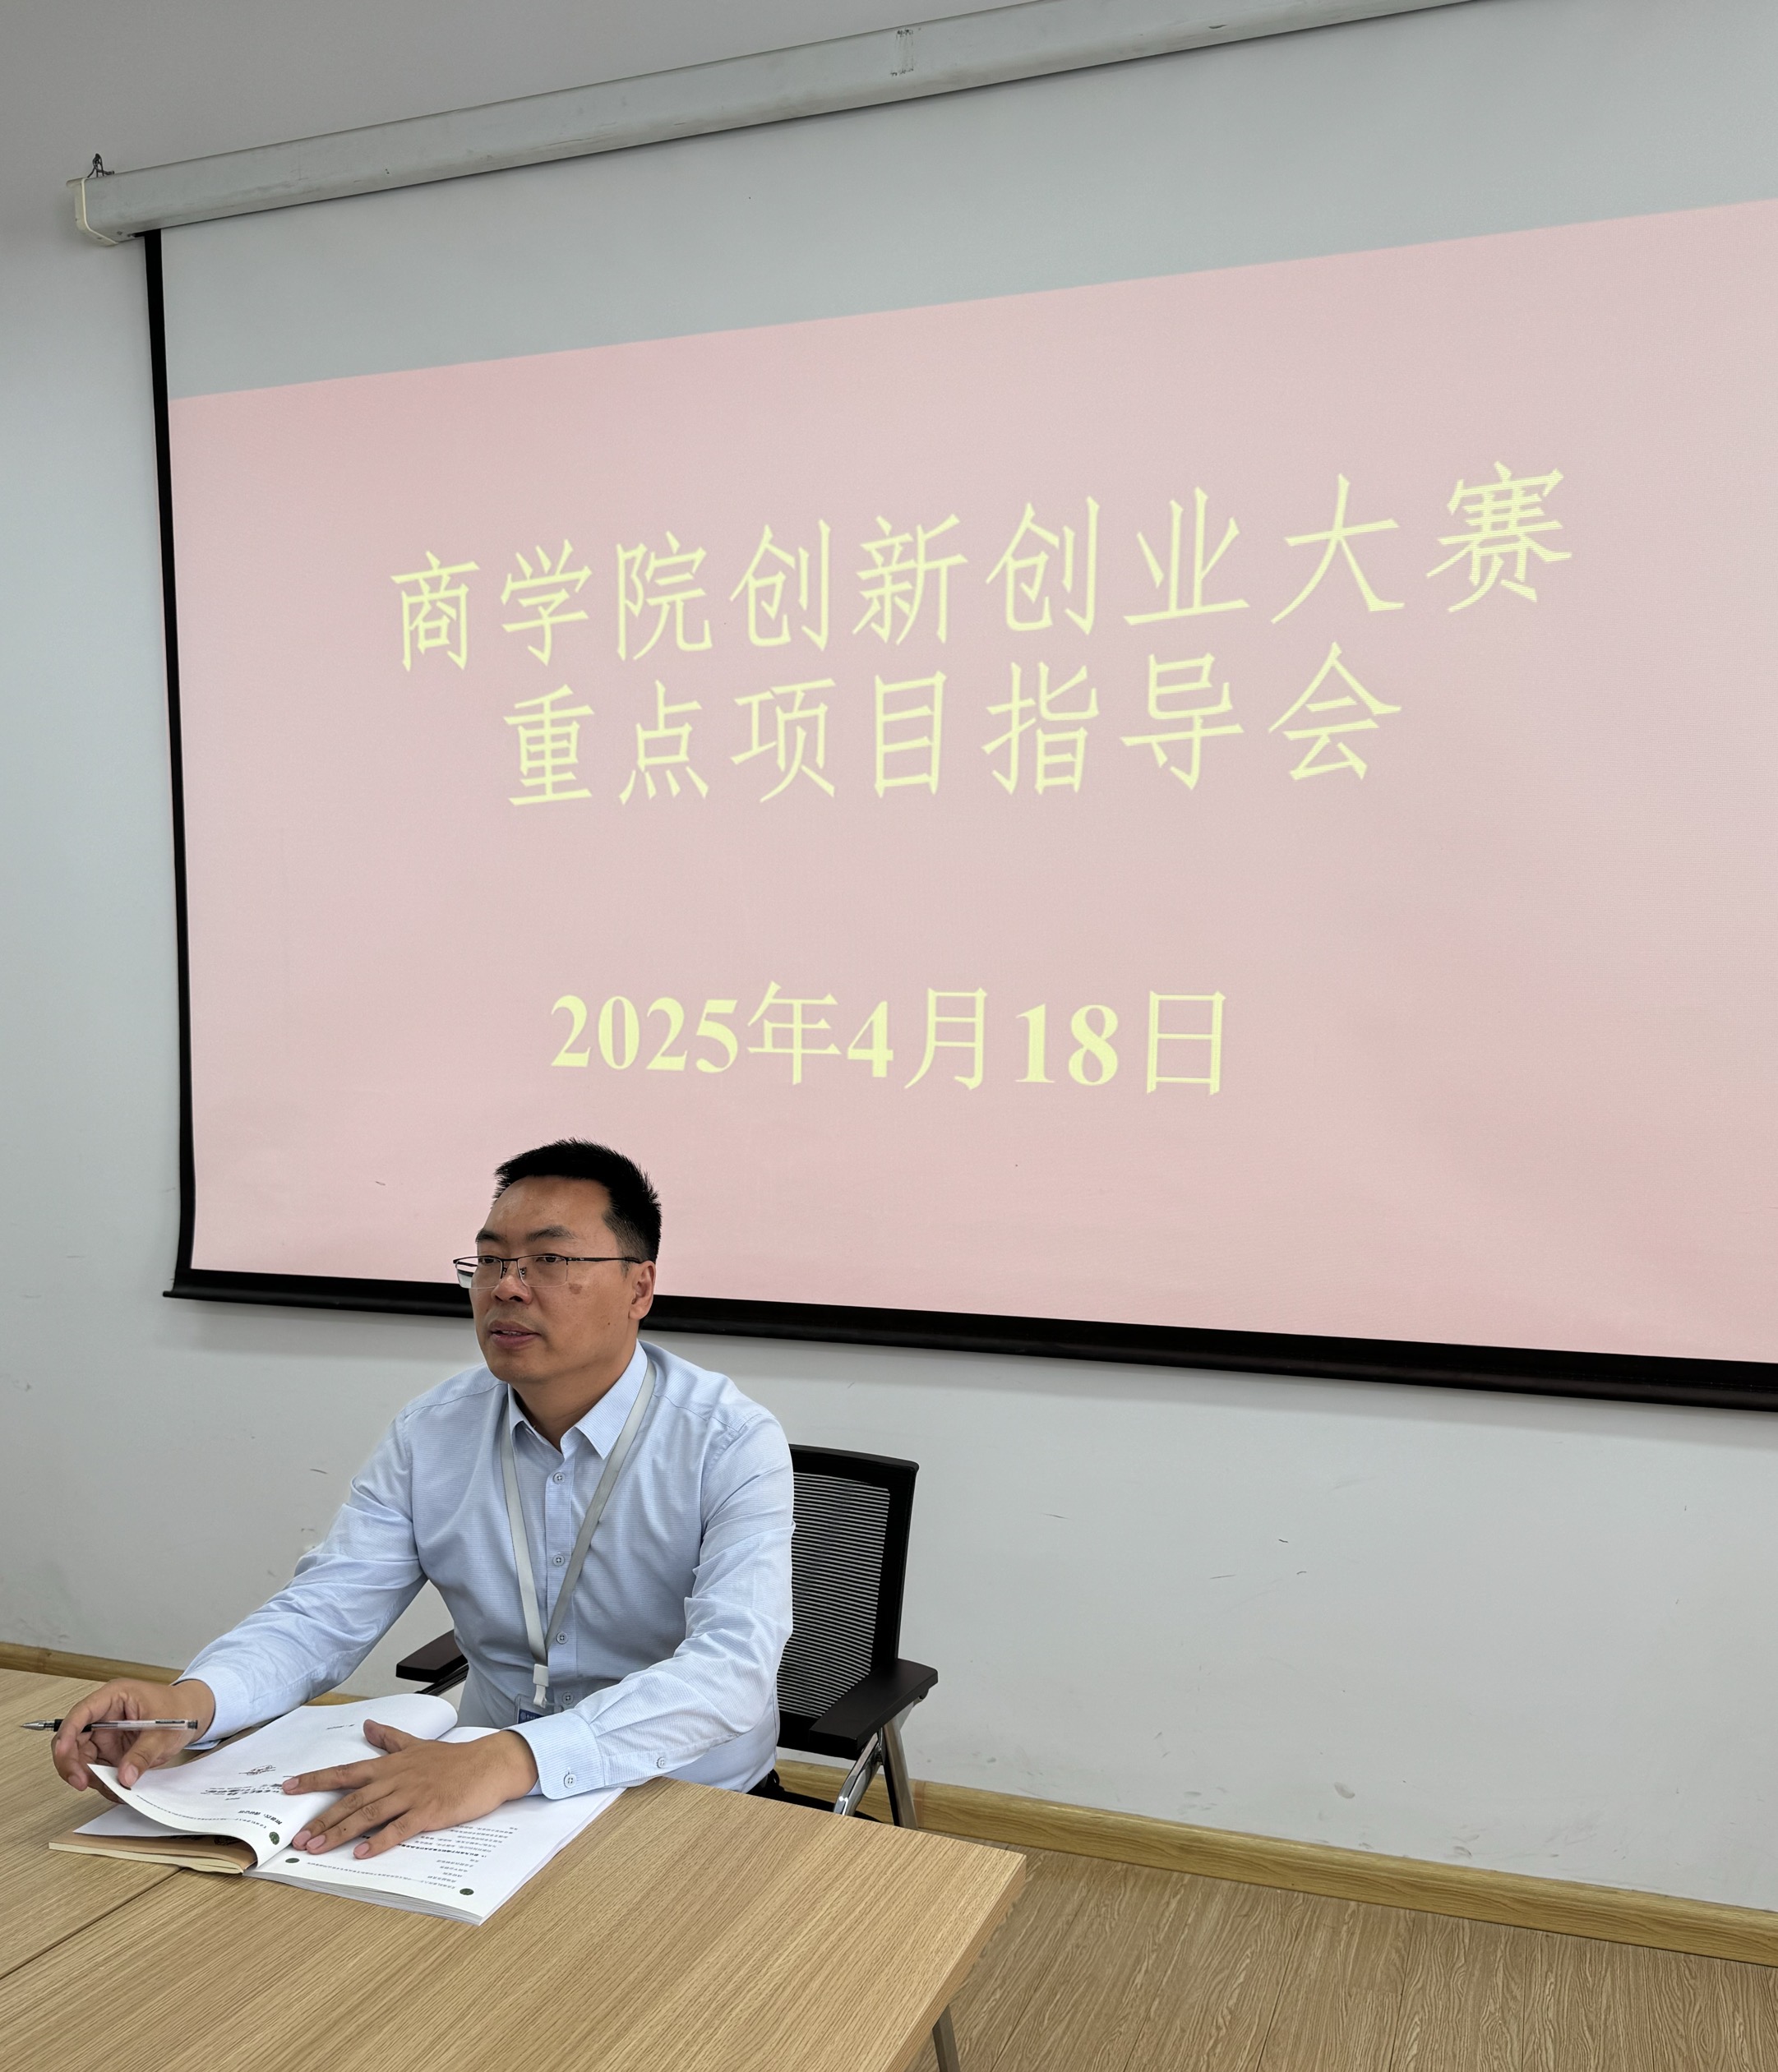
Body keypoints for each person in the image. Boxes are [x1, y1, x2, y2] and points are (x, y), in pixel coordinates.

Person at [52, 1139, 795, 1861]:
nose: (506, 1286)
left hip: (681, 1800)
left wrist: (515, 1757)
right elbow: (325, 1612)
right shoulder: (432, 1432)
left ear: (639, 1287)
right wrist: (192, 1702)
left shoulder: (728, 1441)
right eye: (490, 1260)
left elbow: (732, 1668)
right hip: (481, 1801)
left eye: (549, 1260)